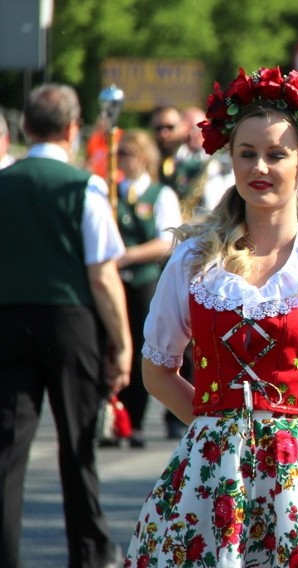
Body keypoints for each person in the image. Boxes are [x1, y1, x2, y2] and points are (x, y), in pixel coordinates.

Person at [123, 67, 298, 566]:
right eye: (246, 153)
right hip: (212, 472)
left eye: (277, 154)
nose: (260, 167)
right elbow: (157, 371)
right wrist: (218, 430)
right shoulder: (194, 259)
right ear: (230, 159)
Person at [0, 83, 132, 568]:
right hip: (69, 320)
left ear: (25, 127)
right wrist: (121, 343)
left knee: (7, 450)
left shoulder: (3, 182)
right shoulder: (83, 187)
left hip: (7, 319)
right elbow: (102, 274)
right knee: (78, 443)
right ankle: (90, 550)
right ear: (74, 128)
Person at [111, 129, 182, 448]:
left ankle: (137, 421)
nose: (120, 160)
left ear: (142, 157)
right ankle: (113, 419)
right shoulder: (112, 191)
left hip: (144, 280)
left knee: (142, 347)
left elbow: (168, 240)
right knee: (110, 348)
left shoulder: (159, 194)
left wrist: (129, 256)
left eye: (125, 153)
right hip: (112, 280)